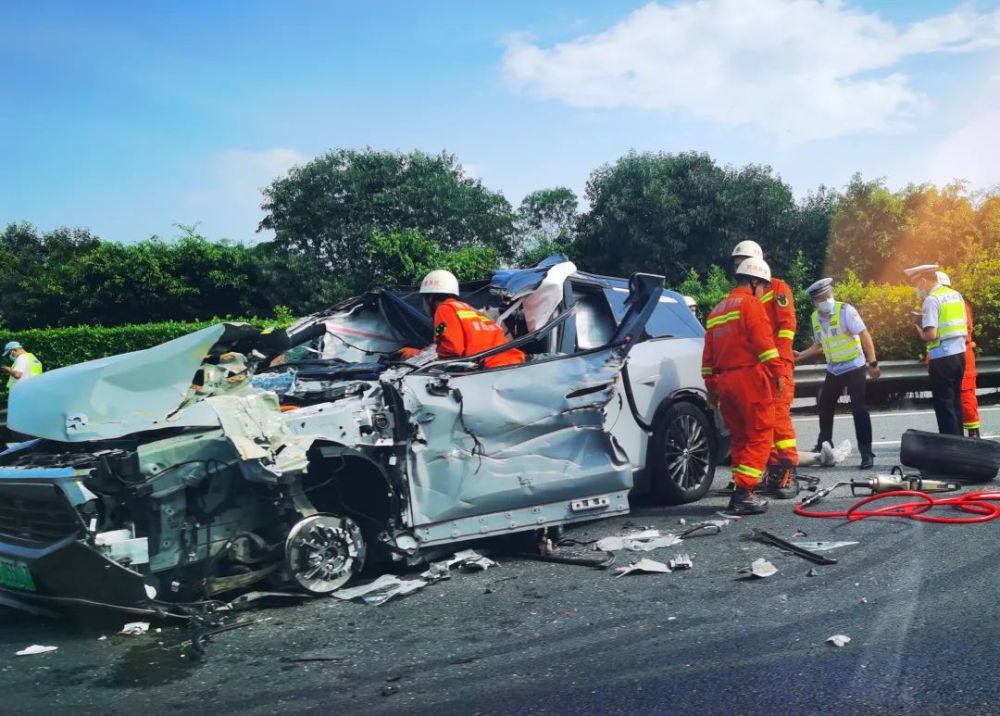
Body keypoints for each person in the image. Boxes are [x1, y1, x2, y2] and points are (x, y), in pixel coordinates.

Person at [701, 257, 780, 515]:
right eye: (764, 286)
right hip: (750, 378)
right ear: (755, 281)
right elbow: (765, 345)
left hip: (725, 382)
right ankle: (744, 493)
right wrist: (777, 374)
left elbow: (708, 357)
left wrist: (712, 388)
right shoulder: (751, 305)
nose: (765, 292)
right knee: (760, 434)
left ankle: (740, 486)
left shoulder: (716, 310)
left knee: (740, 438)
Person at [731, 240, 798, 498]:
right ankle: (769, 470)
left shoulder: (776, 287)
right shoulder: (742, 295)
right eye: (737, 264)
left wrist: (778, 366)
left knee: (778, 418)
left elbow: (786, 328)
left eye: (744, 261)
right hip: (755, 368)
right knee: (761, 423)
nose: (739, 267)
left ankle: (788, 470)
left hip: (775, 364)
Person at [793, 279, 880, 469]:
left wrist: (872, 362)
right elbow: (820, 345)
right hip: (834, 369)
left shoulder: (845, 311)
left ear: (830, 295)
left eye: (825, 297)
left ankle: (867, 453)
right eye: (819, 299)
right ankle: (825, 445)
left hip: (854, 366)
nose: (823, 301)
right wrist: (800, 356)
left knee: (859, 409)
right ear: (814, 302)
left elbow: (864, 335)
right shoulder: (816, 318)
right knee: (825, 404)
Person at [400, 270, 525, 369]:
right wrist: (420, 353)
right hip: (514, 363)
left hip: (493, 369)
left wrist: (418, 358)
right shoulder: (469, 309)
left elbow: (450, 350)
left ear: (430, 298)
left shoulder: (444, 309)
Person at [904, 264, 967, 436]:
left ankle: (950, 447)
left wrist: (918, 328)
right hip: (960, 355)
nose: (917, 289)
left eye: (917, 284)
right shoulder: (955, 295)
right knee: (955, 402)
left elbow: (931, 334)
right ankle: (960, 443)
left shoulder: (931, 300)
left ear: (924, 280)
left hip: (942, 358)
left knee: (944, 405)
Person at [935, 270, 979, 437]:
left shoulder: (955, 302)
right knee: (954, 399)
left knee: (965, 396)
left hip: (959, 353)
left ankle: (973, 435)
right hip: (952, 354)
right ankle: (958, 436)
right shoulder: (956, 301)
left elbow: (964, 330)